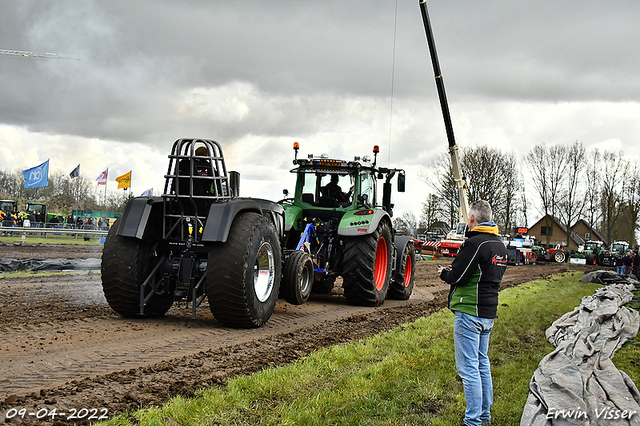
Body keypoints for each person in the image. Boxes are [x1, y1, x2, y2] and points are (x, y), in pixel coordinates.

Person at [438, 200, 508, 426]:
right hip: (488, 313)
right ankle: (484, 416)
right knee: (481, 364)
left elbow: (458, 275)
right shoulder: (499, 246)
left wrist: (444, 273)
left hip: (469, 311)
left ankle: (473, 421)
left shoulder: (475, 243)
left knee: (468, 369)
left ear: (472, 219)